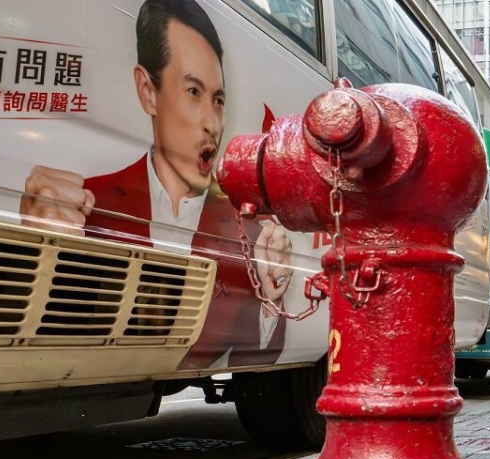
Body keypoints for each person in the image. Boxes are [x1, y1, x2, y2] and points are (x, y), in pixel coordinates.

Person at [19, 0, 292, 369]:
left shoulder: (250, 233)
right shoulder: (83, 203)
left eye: (219, 99)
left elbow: (261, 359)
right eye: (193, 92)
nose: (212, 122)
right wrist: (33, 251)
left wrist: (269, 300)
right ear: (147, 91)